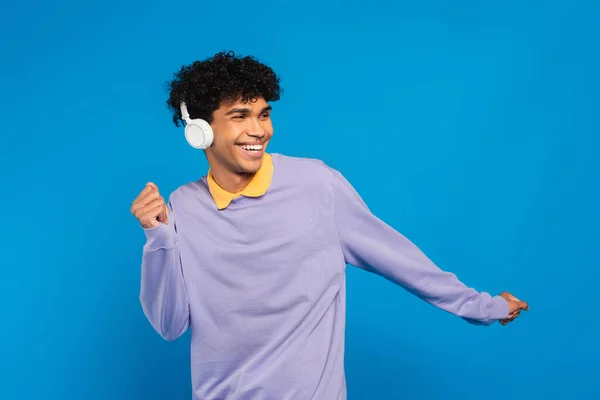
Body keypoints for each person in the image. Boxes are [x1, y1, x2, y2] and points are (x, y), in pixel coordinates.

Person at [130, 51, 528, 400]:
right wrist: (159, 237)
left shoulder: (317, 185)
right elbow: (169, 325)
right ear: (200, 130)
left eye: (264, 114)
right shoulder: (183, 206)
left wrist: (485, 306)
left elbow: (403, 262)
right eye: (240, 116)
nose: (258, 130)